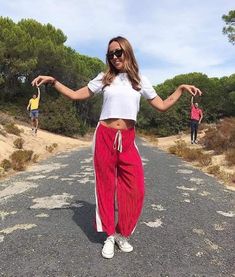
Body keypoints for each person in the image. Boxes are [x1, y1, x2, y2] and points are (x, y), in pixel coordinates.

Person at [31, 36, 202, 259]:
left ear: (127, 52)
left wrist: (180, 89)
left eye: (118, 52)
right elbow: (76, 95)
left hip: (128, 138)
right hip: (104, 135)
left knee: (135, 188)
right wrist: (53, 81)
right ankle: (110, 235)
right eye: (110, 54)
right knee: (105, 186)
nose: (114, 57)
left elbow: (161, 105)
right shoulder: (104, 78)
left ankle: (122, 232)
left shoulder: (140, 80)